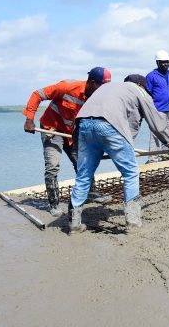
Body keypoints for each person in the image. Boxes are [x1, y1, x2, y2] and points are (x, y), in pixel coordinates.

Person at [68, 74, 169, 233]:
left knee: (83, 174)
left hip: (83, 125)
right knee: (130, 173)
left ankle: (74, 224)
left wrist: (100, 146)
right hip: (109, 126)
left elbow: (85, 121)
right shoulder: (138, 90)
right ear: (141, 85)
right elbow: (156, 123)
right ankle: (133, 222)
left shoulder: (108, 87)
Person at [23, 67, 111, 217]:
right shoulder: (67, 87)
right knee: (52, 166)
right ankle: (54, 204)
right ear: (92, 82)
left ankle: (91, 193)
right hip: (52, 129)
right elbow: (38, 94)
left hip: (72, 133)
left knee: (83, 162)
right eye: (102, 87)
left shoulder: (99, 98)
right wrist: (29, 119)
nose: (104, 91)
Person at [145, 50, 169, 163]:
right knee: (156, 133)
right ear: (157, 63)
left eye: (167, 62)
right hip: (157, 110)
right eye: (163, 62)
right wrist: (150, 109)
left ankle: (166, 155)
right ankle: (153, 158)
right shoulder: (151, 76)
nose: (166, 64)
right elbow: (147, 94)